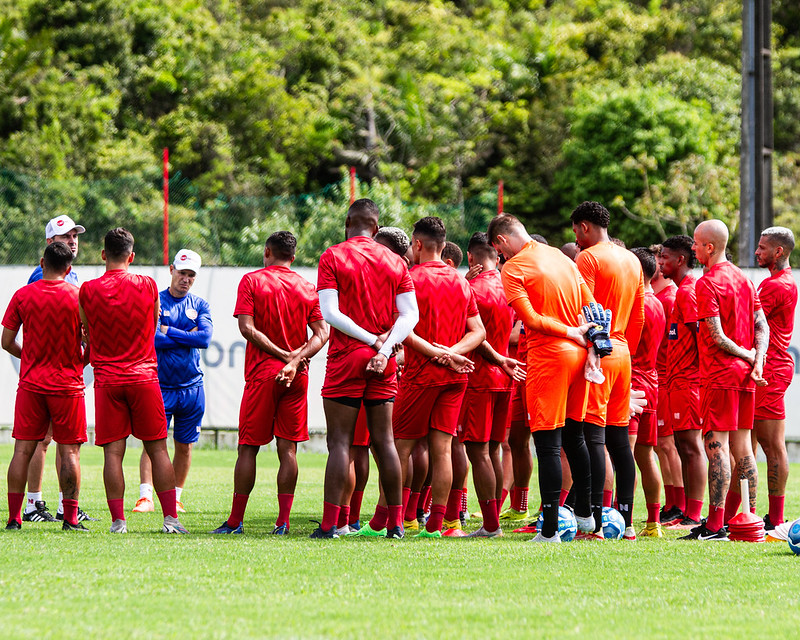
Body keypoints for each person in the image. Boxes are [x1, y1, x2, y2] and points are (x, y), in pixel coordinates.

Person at [313, 198, 419, 539]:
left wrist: (372, 341)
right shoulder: (395, 261)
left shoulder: (332, 255)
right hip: (383, 360)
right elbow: (410, 316)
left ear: (348, 222)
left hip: (347, 357)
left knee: (340, 443)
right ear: (376, 227)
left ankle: (330, 524)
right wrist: (385, 348)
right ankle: (397, 524)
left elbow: (329, 314)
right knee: (385, 442)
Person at [490, 214, 600, 543]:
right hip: (580, 354)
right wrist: (590, 341)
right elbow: (591, 304)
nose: (502, 259)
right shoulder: (558, 255)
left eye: (500, 253)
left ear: (500, 243)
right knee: (575, 437)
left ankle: (550, 529)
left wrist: (569, 331)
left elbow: (531, 320)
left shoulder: (513, 267)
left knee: (548, 445)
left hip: (549, 356)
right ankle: (586, 515)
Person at [212, 232, 328, 535]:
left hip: (264, 373)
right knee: (288, 450)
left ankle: (236, 522)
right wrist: (295, 359)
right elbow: (322, 333)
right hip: (296, 375)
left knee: (247, 448)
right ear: (293, 255)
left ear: (267, 252)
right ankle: (282, 522)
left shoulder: (252, 281)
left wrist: (282, 355)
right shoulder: (306, 285)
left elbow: (247, 329)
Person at [379, 216, 485, 539]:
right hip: (455, 378)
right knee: (443, 450)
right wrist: (453, 353)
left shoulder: (409, 279)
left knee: (401, 448)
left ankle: (387, 521)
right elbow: (478, 332)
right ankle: (437, 526)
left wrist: (440, 355)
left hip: (420, 375)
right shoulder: (461, 282)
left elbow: (403, 331)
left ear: (418, 244)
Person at [79, 228, 187, 534]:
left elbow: (86, 331)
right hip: (143, 377)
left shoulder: (87, 289)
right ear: (132, 255)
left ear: (103, 255)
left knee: (113, 453)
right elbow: (153, 324)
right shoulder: (148, 285)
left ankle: (118, 522)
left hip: (108, 381)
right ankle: (170, 520)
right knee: (158, 450)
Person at [680, 220, 768, 541]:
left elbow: (715, 335)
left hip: (720, 374)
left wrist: (747, 355)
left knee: (716, 446)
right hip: (744, 377)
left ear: (710, 248)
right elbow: (761, 325)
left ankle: (715, 525)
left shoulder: (707, 283)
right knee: (744, 449)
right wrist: (756, 358)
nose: (692, 248)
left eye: (696, 243)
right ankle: (746, 519)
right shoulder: (745, 279)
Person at [572, 201, 645, 540]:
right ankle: (628, 523)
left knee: (593, 438)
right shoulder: (631, 259)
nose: (576, 239)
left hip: (598, 354)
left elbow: (583, 309)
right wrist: (623, 347)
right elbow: (640, 316)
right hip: (623, 352)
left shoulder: (588, 258)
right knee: (619, 441)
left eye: (576, 231)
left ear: (585, 227)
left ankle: (597, 524)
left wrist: (595, 351)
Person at [4, 243, 89, 531]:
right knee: (70, 453)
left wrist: (27, 356)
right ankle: (71, 518)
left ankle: (15, 518)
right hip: (67, 386)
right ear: (69, 269)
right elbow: (93, 343)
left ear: (42, 263)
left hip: (31, 385)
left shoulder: (23, 295)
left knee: (22, 451)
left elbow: (6, 341)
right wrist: (79, 363)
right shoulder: (79, 297)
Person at [24, 214, 95, 523]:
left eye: (75, 235)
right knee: (43, 439)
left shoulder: (74, 277)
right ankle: (32, 504)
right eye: (66, 236)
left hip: (66, 370)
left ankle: (65, 506)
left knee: (63, 441)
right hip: (48, 372)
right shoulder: (39, 277)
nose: (73, 240)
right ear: (50, 242)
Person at [133, 249, 212, 514]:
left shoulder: (200, 304)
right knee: (153, 442)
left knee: (184, 445)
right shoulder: (155, 300)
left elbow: (204, 339)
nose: (186, 279)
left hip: (191, 387)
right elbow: (152, 339)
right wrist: (184, 334)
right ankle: (145, 496)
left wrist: (169, 330)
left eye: (191, 275)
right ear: (171, 270)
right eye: (182, 273)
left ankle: (176, 496)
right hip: (159, 385)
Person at [458, 232, 521, 537]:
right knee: (493, 451)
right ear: (497, 257)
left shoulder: (471, 289)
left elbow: (474, 335)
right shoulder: (509, 288)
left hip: (479, 377)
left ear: (470, 258)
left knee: (477, 452)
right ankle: (491, 519)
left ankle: (490, 524)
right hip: (505, 377)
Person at [658, 236, 705, 528]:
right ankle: (687, 511)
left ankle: (695, 514)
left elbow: (701, 337)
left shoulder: (688, 293)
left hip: (689, 381)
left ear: (681, 260)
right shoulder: (682, 291)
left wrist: (698, 377)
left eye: (664, 257)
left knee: (690, 446)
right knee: (681, 444)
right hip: (678, 381)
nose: (660, 262)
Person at [753, 226, 797, 530]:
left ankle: (776, 519)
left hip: (770, 369)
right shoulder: (780, 281)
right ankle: (754, 514)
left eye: (762, 247)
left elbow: (751, 325)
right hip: (772, 367)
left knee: (770, 445)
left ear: (778, 252)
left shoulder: (775, 286)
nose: (757, 252)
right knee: (756, 443)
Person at [629, 248, 666, 537]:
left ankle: (623, 520)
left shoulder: (635, 304)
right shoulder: (657, 303)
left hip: (633, 386)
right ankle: (653, 522)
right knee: (646, 455)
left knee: (623, 455)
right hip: (651, 384)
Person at [649, 246, 685, 524]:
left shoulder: (669, 298)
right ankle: (673, 503)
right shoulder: (660, 297)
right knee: (663, 445)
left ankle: (679, 505)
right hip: (660, 378)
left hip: (665, 378)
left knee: (668, 443)